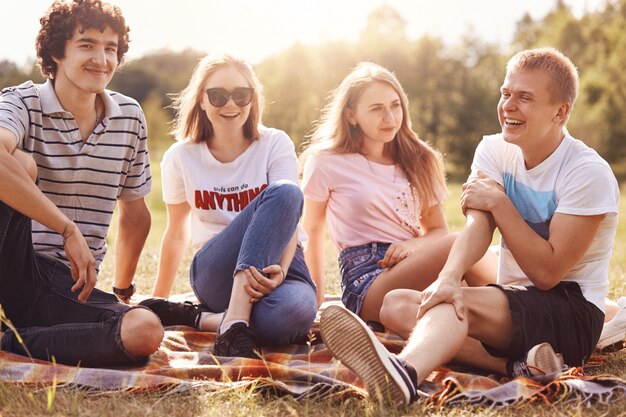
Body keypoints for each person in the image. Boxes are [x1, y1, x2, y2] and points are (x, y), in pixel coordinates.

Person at [319, 48, 620, 405]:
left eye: (524, 97)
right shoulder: (494, 149)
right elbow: (477, 226)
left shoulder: (587, 172)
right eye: (506, 93)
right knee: (395, 306)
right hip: (510, 303)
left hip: (571, 312)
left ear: (560, 111)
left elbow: (547, 273)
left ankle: (404, 373)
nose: (508, 105)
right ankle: (521, 366)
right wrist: (449, 276)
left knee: (451, 304)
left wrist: (499, 203)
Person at [0, 0, 162, 367]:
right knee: (19, 162)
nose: (101, 60)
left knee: (145, 330)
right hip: (12, 261)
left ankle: (13, 340)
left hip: (65, 287)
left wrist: (123, 290)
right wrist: (65, 228)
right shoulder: (20, 102)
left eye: (111, 49)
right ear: (56, 52)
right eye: (87, 45)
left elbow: (136, 214)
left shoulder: (130, 117)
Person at [139, 54, 317, 358]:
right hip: (216, 267)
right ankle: (235, 320)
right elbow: (177, 232)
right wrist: (157, 300)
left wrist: (283, 271)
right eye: (218, 96)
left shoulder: (275, 143)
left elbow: (289, 212)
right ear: (201, 101)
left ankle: (204, 318)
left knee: (292, 316)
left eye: (241, 95)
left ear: (252, 99)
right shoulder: (181, 157)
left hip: (281, 260)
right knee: (283, 192)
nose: (230, 105)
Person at [300, 62, 496, 323]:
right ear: (351, 116)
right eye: (376, 109)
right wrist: (315, 301)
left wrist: (411, 246)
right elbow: (311, 230)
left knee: (468, 284)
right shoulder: (326, 161)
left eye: (395, 106)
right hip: (368, 279)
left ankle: (513, 344)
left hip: (418, 265)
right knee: (463, 245)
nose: (390, 118)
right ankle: (522, 306)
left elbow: (438, 230)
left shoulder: (421, 159)